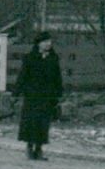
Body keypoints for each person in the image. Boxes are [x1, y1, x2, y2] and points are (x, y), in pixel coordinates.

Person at [12, 31, 65, 160]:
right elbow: (23, 76)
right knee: (31, 121)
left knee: (43, 122)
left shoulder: (53, 58)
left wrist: (59, 94)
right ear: (38, 43)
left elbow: (57, 77)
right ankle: (29, 147)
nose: (48, 44)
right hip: (32, 95)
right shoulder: (30, 57)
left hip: (47, 96)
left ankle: (39, 148)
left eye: (49, 42)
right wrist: (16, 93)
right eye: (45, 42)